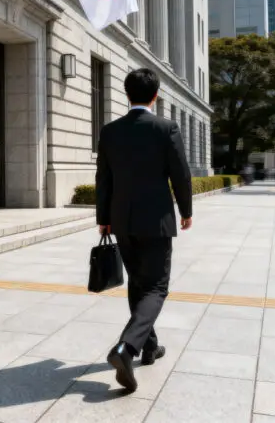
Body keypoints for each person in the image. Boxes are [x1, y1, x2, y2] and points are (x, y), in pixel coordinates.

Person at [96, 67, 193, 393]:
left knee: (139, 283)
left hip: (122, 219)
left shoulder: (110, 131)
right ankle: (127, 348)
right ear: (156, 96)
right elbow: (180, 174)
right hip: (156, 219)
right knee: (156, 287)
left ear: (127, 95)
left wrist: (103, 217)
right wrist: (186, 211)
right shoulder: (166, 128)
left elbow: (103, 178)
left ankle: (149, 347)